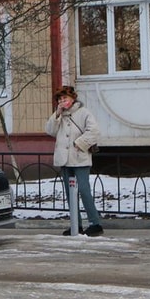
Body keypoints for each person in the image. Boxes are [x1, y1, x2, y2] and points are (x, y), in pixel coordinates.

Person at [45, 85, 103, 236]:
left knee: (84, 190)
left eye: (65, 98)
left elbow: (94, 131)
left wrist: (79, 143)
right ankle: (75, 225)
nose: (62, 101)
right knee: (70, 194)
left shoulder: (84, 113)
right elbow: (50, 131)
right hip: (64, 160)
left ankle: (95, 223)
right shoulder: (60, 115)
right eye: (60, 99)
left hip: (79, 158)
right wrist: (57, 114)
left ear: (72, 99)